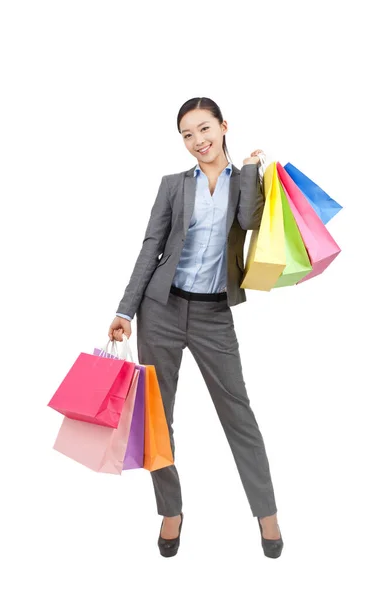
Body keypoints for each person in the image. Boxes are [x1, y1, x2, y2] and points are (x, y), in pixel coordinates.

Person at [108, 97, 283, 559]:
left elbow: (248, 221)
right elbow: (151, 247)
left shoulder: (246, 180)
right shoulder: (172, 185)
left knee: (238, 414)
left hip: (213, 315)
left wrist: (249, 169)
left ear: (224, 126)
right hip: (160, 312)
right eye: (187, 135)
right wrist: (125, 311)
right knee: (156, 418)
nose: (197, 141)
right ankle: (171, 510)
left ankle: (267, 513)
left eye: (204, 129)